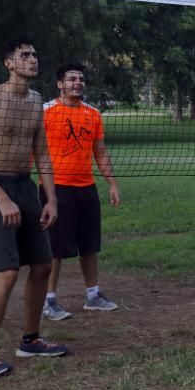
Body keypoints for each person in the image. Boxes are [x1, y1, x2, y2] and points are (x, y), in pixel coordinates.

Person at [0, 39, 68, 377]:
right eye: (25, 55)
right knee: (8, 272)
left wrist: (50, 198)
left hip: (25, 186)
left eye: (36, 54)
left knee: (41, 266)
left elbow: (41, 154)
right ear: (8, 63)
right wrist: (2, 198)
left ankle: (30, 339)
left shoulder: (36, 100)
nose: (32, 59)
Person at [40, 63, 122, 321]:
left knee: (89, 245)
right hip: (56, 187)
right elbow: (36, 150)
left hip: (86, 187)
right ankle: (48, 300)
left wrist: (111, 183)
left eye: (81, 79)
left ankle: (93, 295)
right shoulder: (44, 112)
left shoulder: (93, 114)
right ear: (60, 84)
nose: (78, 82)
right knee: (56, 248)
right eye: (72, 79)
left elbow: (100, 151)